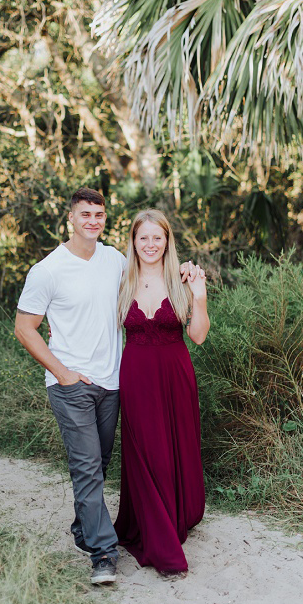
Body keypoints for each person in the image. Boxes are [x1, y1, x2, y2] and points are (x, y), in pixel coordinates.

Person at [14, 187, 125, 585]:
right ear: (71, 219)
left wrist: (186, 274)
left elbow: (150, 279)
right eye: (85, 214)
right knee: (87, 468)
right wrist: (63, 373)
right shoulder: (48, 270)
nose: (93, 221)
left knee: (100, 465)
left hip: (111, 382)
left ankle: (83, 529)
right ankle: (103, 555)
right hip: (70, 385)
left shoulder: (115, 260)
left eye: (99, 214)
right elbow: (25, 330)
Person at [112, 209, 209, 577]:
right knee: (146, 450)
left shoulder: (183, 278)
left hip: (174, 374)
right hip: (136, 375)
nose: (150, 244)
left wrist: (198, 297)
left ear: (167, 240)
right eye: (143, 238)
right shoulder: (120, 278)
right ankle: (161, 541)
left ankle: (176, 514)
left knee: (174, 447)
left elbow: (198, 335)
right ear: (133, 242)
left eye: (157, 237)